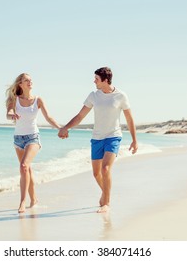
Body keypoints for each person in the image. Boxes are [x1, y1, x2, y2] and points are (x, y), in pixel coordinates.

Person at [58, 67, 138, 213]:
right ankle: (106, 193)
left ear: (105, 80)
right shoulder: (93, 96)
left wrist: (134, 140)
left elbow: (129, 118)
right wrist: (66, 127)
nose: (94, 81)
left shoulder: (121, 96)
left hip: (113, 136)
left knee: (106, 168)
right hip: (97, 138)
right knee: (96, 173)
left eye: (96, 79)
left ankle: (106, 203)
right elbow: (80, 116)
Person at [6, 73, 61, 213]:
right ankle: (34, 199)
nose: (30, 82)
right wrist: (11, 114)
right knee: (27, 170)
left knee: (24, 166)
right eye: (26, 80)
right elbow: (9, 112)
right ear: (20, 84)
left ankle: (22, 202)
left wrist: (61, 128)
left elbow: (48, 117)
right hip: (18, 138)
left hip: (33, 137)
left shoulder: (38, 100)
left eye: (31, 80)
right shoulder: (14, 99)